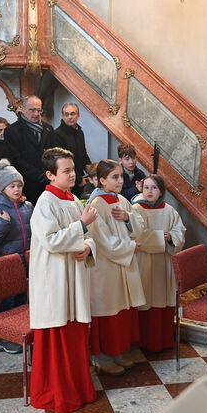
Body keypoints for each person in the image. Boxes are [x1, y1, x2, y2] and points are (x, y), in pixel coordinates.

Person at [28, 147, 98, 413]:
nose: (72, 174)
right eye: (66, 171)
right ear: (50, 175)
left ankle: (79, 388)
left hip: (73, 275)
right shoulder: (45, 203)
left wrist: (88, 246)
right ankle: (59, 392)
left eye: (73, 169)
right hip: (55, 278)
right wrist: (81, 225)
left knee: (75, 333)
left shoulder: (72, 199)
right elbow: (51, 241)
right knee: (59, 334)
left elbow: (87, 235)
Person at [86, 159, 147, 375]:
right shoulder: (96, 205)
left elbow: (139, 226)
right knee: (107, 313)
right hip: (105, 268)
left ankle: (117, 351)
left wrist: (128, 217)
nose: (120, 181)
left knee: (120, 311)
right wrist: (129, 247)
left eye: (121, 176)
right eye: (114, 177)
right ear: (102, 180)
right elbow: (101, 239)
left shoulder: (121, 200)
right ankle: (101, 357)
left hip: (122, 265)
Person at [131, 175, 186, 352]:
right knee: (145, 299)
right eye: (146, 187)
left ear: (161, 191)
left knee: (163, 297)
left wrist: (172, 237)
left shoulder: (169, 210)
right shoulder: (136, 210)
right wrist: (160, 238)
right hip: (144, 262)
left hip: (164, 263)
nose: (149, 191)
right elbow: (138, 236)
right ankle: (143, 341)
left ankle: (163, 339)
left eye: (154, 188)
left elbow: (180, 231)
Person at [0, 158, 33, 354]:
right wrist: (2, 223)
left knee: (22, 299)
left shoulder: (28, 206)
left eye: (19, 185)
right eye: (12, 186)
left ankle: (19, 333)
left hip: (26, 259)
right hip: (8, 261)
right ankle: (4, 337)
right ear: (2, 188)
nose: (16, 190)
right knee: (9, 301)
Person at [3, 95, 62, 203]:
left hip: (48, 182)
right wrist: (38, 175)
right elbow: (15, 159)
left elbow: (55, 154)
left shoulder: (48, 128)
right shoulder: (12, 130)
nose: (36, 114)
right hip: (26, 184)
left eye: (39, 110)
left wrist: (50, 174)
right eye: (32, 110)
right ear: (23, 109)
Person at [55, 102, 92, 194]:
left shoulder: (80, 132)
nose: (69, 117)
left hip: (80, 177)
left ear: (78, 116)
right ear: (63, 117)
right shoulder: (57, 134)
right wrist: (78, 179)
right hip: (67, 179)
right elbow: (63, 162)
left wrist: (92, 172)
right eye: (66, 114)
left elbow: (84, 155)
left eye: (72, 114)